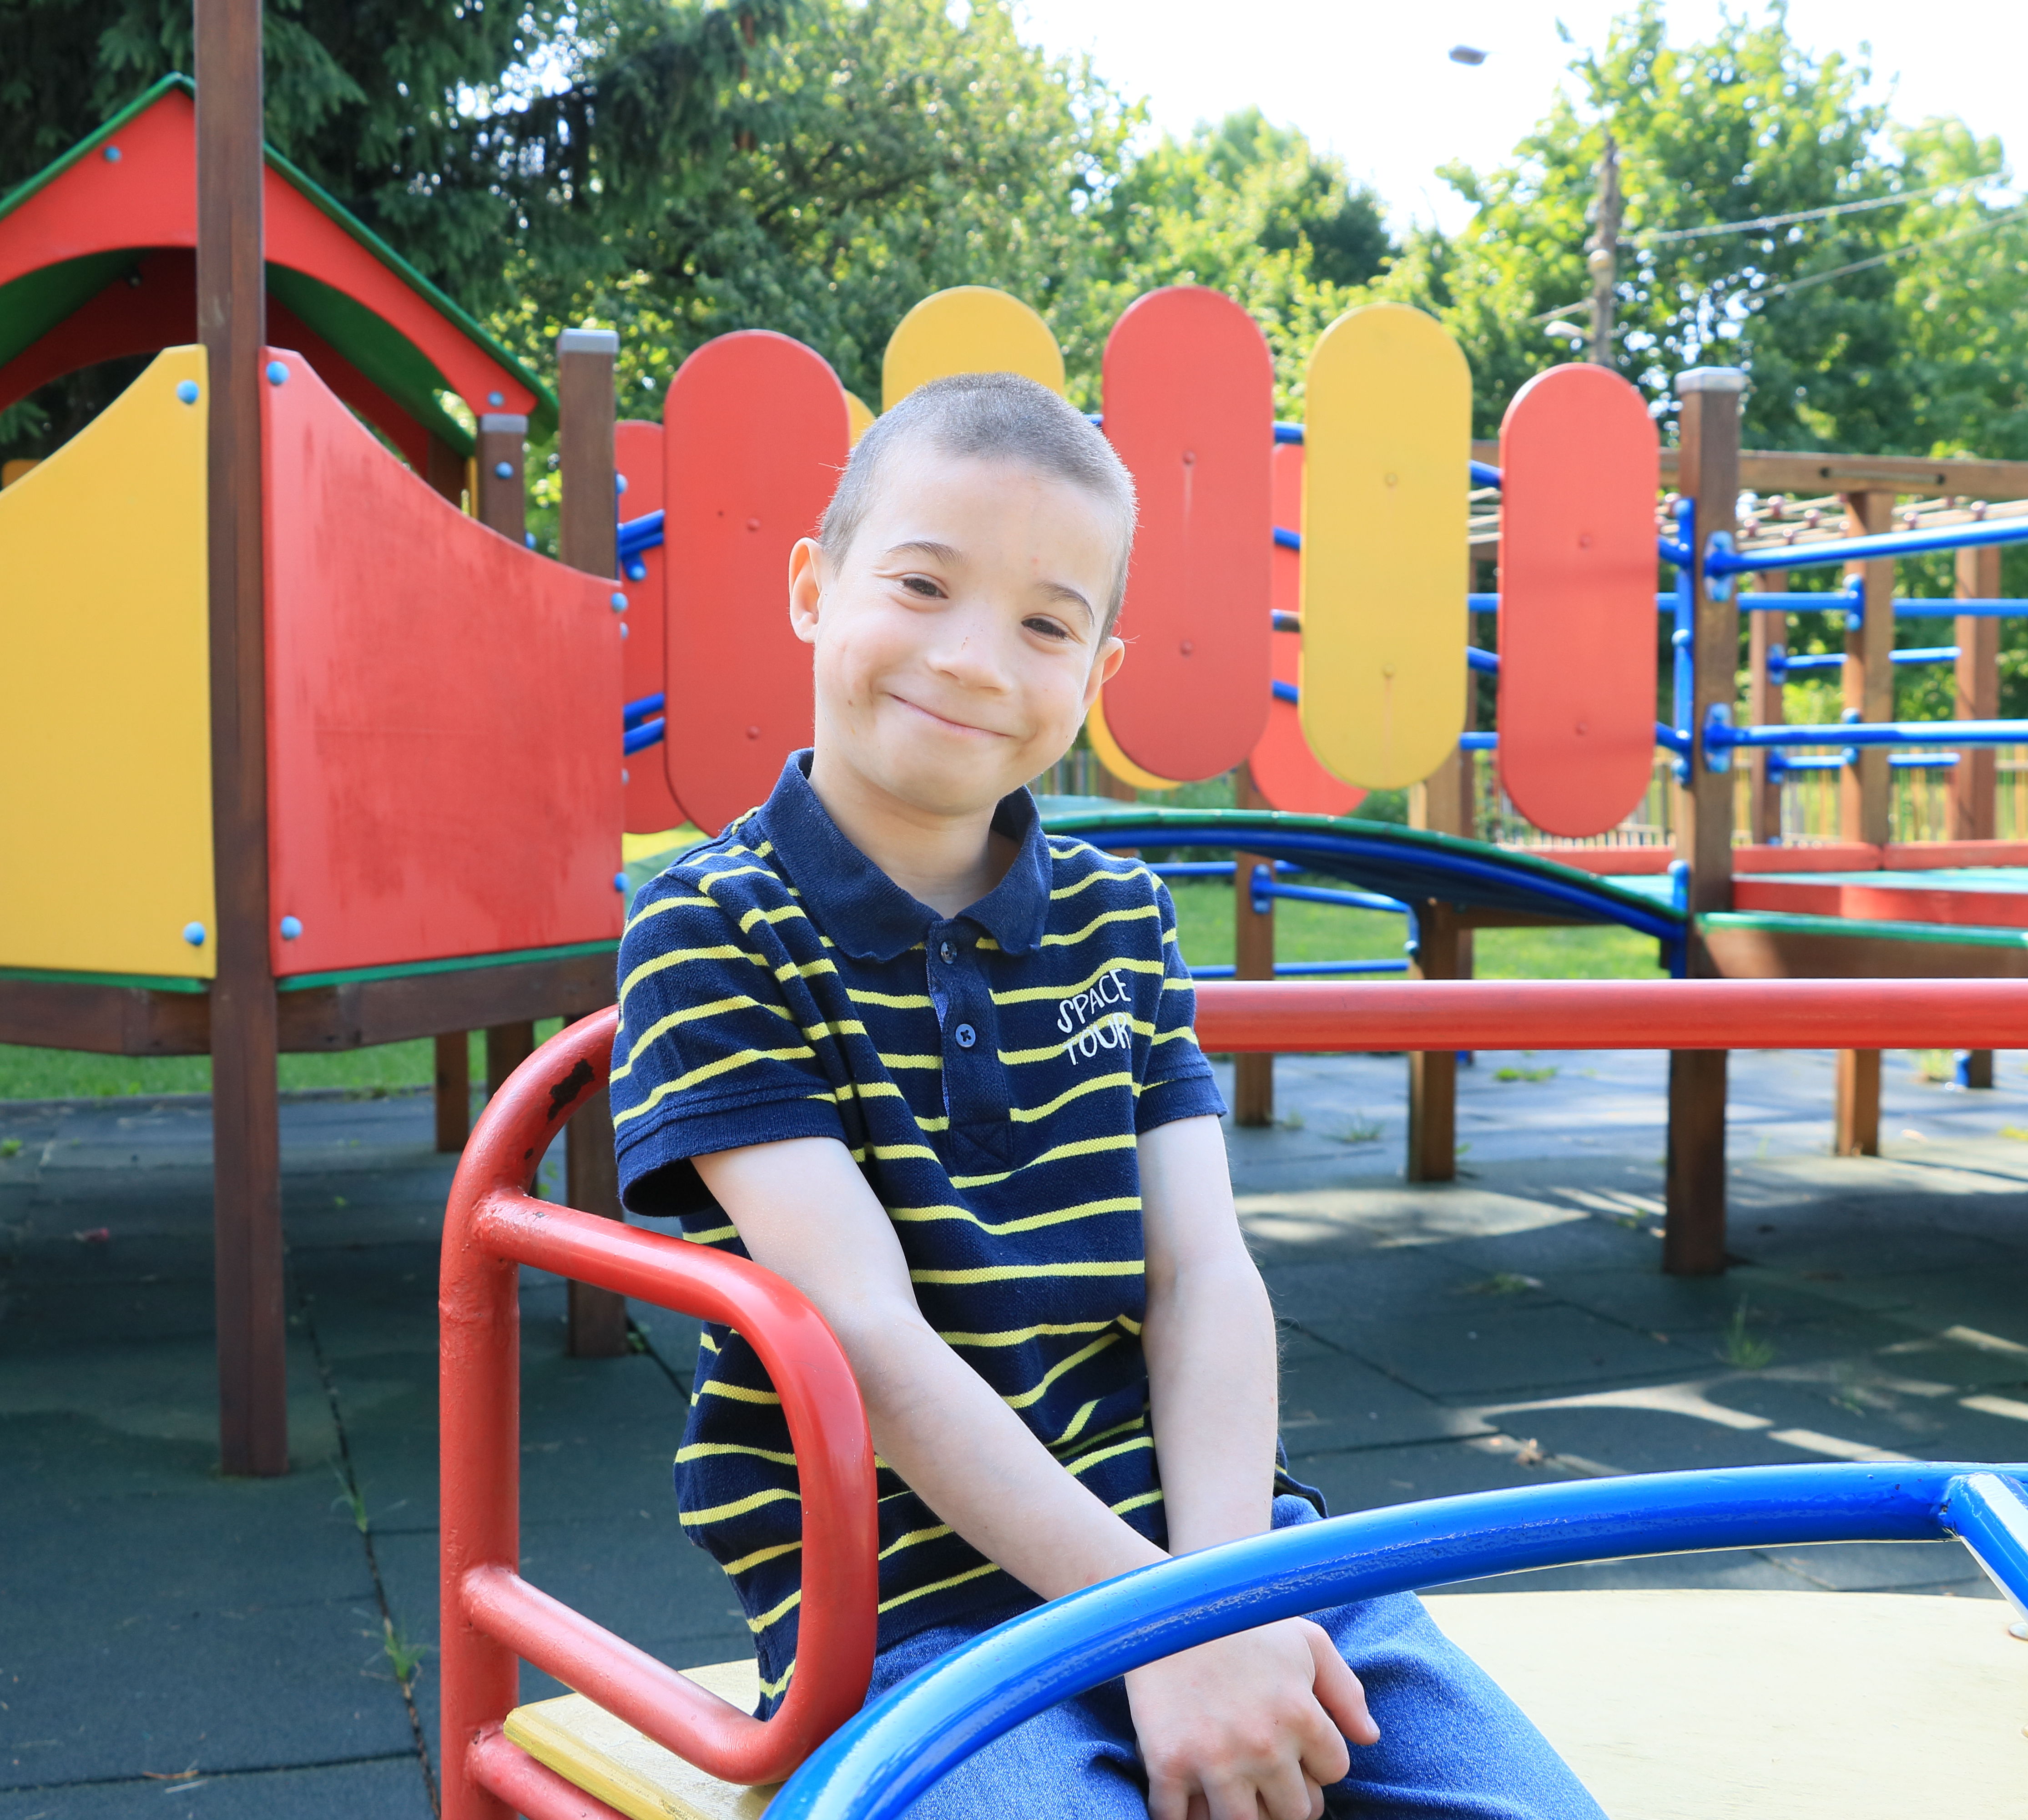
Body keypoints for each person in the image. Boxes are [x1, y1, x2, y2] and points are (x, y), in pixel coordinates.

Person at [609, 373, 1602, 1820]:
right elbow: (865, 1335)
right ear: (814, 589)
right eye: (923, 584)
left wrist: (1224, 1600)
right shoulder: (715, 927)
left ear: (1098, 672)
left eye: (1045, 624)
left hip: (1223, 1553)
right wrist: (1168, 1631)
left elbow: (1204, 1275)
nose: (972, 659)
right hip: (916, 1621)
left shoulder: (1120, 920)